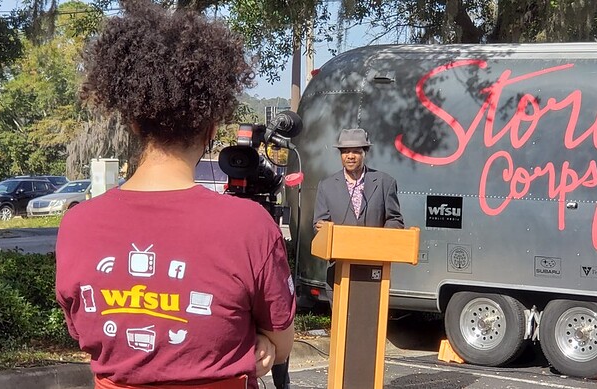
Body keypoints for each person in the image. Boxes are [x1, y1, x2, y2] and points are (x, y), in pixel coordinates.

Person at [54, 1, 295, 388]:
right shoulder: (249, 225)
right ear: (212, 127)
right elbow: (281, 343)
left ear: (133, 120)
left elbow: (86, 335)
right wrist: (257, 339)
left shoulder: (77, 223)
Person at [313, 128, 405, 302]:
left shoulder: (385, 182)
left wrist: (376, 239)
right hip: (339, 271)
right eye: (345, 152)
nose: (350, 156)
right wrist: (325, 230)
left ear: (365, 153)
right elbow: (319, 224)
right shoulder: (326, 186)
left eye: (356, 151)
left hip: (373, 269)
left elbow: (395, 220)